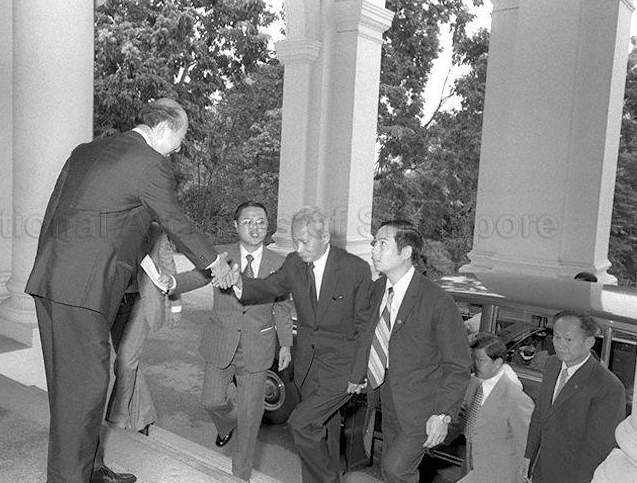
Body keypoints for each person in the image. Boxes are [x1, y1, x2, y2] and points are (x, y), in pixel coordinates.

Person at [25, 98, 233, 483]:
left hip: (52, 280)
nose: (178, 149)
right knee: (84, 392)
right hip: (83, 291)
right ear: (164, 128)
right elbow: (175, 221)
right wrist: (214, 262)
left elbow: (59, 216)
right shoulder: (151, 163)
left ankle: (91, 469)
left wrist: (48, 272)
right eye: (180, 139)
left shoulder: (86, 151)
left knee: (70, 389)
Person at [226, 206, 375, 483]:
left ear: (325, 237)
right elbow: (269, 286)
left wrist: (358, 374)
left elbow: (365, 327)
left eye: (305, 242)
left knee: (301, 424)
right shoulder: (295, 263)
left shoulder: (355, 269)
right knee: (322, 430)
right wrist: (240, 283)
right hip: (308, 365)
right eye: (295, 241)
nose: (298, 248)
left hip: (341, 369)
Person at [166, 201, 294, 482]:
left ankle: (241, 475)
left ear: (268, 226)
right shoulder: (221, 256)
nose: (255, 228)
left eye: (261, 222)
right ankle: (228, 423)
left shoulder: (280, 263)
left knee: (251, 417)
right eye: (247, 222)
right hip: (221, 342)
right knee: (211, 401)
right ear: (236, 226)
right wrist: (172, 283)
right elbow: (198, 276)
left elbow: (282, 306)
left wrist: (285, 343)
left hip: (257, 347)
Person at [361, 219, 471, 483]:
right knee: (390, 470)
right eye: (374, 243)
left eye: (383, 244)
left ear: (406, 252)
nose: (374, 250)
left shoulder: (438, 301)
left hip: (423, 408)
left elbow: (458, 366)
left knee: (396, 469)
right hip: (388, 398)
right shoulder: (378, 289)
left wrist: (443, 415)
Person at [522, 310, 626, 483]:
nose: (560, 345)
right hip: (542, 470)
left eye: (568, 339)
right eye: (557, 337)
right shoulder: (552, 364)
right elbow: (540, 415)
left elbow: (600, 448)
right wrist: (528, 456)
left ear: (589, 342)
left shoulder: (608, 386)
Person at [106, 223, 183, 435]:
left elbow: (168, 268)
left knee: (126, 360)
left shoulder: (156, 230)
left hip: (140, 302)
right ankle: (144, 416)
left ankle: (118, 418)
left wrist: (175, 305)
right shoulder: (110, 224)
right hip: (114, 303)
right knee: (127, 362)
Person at [457, 333, 534, 483]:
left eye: (480, 360)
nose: (474, 365)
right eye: (473, 359)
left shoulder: (516, 398)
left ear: (498, 362)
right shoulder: (474, 383)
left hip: (500, 474)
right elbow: (463, 415)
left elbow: (525, 445)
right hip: (472, 466)